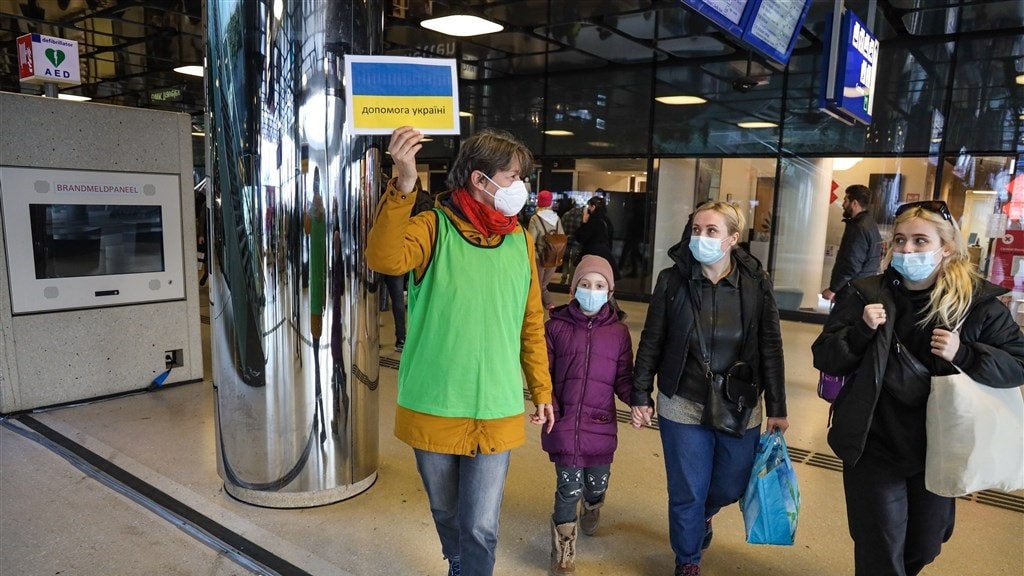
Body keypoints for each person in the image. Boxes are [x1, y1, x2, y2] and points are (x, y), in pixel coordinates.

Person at [365, 126, 555, 576]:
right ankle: (458, 563)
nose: (519, 187)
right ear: (480, 180)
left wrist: (542, 390)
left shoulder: (519, 240)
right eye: (512, 177)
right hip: (435, 401)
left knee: (482, 525)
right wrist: (405, 184)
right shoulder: (434, 227)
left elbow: (531, 323)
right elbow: (385, 258)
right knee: (447, 512)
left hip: (496, 404)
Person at [811, 200, 1024, 576]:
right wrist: (861, 332)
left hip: (940, 447)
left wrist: (966, 354)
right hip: (873, 442)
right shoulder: (865, 293)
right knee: (879, 547)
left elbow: (1017, 364)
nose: (907, 250)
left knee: (924, 546)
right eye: (900, 241)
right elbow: (826, 357)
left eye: (920, 241)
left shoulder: (976, 305)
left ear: (947, 248)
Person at [631, 201, 788, 576]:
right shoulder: (673, 280)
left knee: (729, 485)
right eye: (696, 229)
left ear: (733, 238)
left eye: (711, 230)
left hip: (740, 401)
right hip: (681, 401)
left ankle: (706, 515)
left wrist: (778, 405)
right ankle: (687, 560)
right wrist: (641, 394)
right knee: (687, 489)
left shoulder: (755, 284)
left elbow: (771, 344)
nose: (700, 237)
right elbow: (652, 339)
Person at [542, 255, 635, 575]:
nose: (591, 290)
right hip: (564, 422)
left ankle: (594, 504)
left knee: (595, 483)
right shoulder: (555, 327)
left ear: (609, 293)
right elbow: (544, 377)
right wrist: (550, 408)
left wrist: (639, 401)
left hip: (601, 426)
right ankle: (563, 546)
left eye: (599, 285)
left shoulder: (619, 333)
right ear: (573, 289)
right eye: (584, 284)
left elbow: (624, 378)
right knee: (568, 487)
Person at [823, 184, 882, 302]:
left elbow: (851, 264)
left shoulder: (858, 227)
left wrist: (833, 289)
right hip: (863, 288)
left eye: (845, 200)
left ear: (854, 203)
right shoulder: (871, 224)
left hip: (851, 291)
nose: (843, 204)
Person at [528, 190, 565, 310]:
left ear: (539, 202)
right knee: (543, 284)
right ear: (550, 203)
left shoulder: (535, 218)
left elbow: (530, 239)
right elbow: (561, 235)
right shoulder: (557, 218)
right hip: (554, 255)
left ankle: (542, 306)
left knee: (537, 284)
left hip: (539, 257)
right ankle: (548, 304)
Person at [575, 195, 620, 281]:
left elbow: (580, 237)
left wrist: (584, 222)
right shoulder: (606, 220)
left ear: (593, 207)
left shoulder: (592, 221)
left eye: (589, 206)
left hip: (591, 255)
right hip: (605, 255)